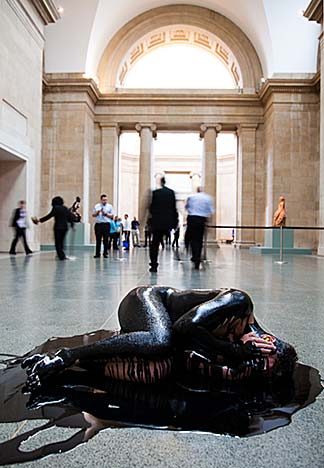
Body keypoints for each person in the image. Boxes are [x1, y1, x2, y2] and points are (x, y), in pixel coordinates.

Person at [22, 287, 297, 390]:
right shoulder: (238, 302)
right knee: (161, 341)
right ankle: (65, 356)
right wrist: (231, 350)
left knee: (158, 361)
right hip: (144, 300)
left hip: (153, 324)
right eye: (263, 360)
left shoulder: (240, 345)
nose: (254, 363)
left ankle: (76, 360)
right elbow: (184, 326)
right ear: (268, 342)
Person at [148, 177, 178, 272]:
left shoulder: (156, 193)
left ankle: (154, 264)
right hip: (167, 222)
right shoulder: (171, 193)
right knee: (164, 239)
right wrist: (175, 222)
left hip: (157, 222)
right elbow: (174, 208)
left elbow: (151, 208)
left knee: (154, 244)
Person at [32, 196, 73, 260]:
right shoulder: (65, 208)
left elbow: (49, 216)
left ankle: (61, 256)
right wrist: (72, 225)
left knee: (57, 242)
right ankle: (61, 254)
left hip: (58, 227)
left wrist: (39, 220)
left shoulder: (55, 208)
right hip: (65, 227)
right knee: (62, 241)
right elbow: (70, 217)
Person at [185, 186, 214, 270]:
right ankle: (196, 257)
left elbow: (187, 207)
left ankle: (193, 255)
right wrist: (209, 223)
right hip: (201, 220)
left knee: (190, 238)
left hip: (192, 219)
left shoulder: (191, 197)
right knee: (198, 240)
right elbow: (211, 211)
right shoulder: (208, 198)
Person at [92, 194, 114, 258]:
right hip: (98, 224)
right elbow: (93, 215)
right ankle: (97, 253)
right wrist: (97, 212)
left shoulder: (110, 206)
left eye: (106, 200)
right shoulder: (97, 206)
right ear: (101, 200)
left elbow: (112, 216)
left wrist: (106, 214)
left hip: (106, 224)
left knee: (106, 239)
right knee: (98, 239)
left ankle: (105, 253)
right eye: (104, 200)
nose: (105, 201)